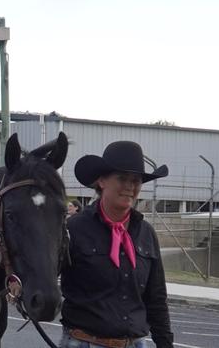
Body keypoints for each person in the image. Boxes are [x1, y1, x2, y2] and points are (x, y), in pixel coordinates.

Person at [60, 141, 174, 348]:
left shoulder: (146, 233)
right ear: (102, 181)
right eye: (122, 178)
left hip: (136, 344)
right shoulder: (74, 229)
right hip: (84, 343)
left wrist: (165, 344)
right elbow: (43, 274)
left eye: (136, 180)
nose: (130, 187)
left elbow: (156, 299)